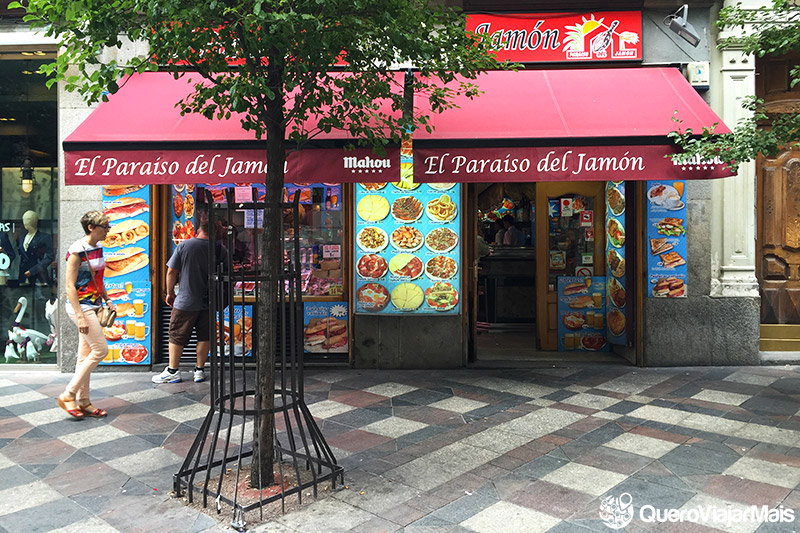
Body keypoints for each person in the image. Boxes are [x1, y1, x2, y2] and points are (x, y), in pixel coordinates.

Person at [57, 211, 114, 418]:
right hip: (80, 307)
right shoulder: (76, 252)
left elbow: (97, 278)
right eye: (104, 227)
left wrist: (107, 299)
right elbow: (69, 287)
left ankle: (83, 401)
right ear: (91, 227)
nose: (108, 230)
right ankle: (68, 394)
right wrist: (80, 315)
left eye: (108, 226)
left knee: (84, 357)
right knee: (100, 350)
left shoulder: (98, 248)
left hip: (95, 304)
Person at [152, 222, 213, 384]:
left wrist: (170, 292)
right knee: (204, 337)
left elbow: (172, 271)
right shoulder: (220, 248)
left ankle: (173, 370)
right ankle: (199, 370)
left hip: (186, 301)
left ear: (198, 230)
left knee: (177, 335)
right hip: (209, 301)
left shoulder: (185, 245)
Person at [17, 210, 53, 286]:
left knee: (39, 295)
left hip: (38, 274)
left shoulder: (44, 237)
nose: (25, 222)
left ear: (34, 221)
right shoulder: (21, 237)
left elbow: (49, 257)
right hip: (23, 274)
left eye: (28, 219)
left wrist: (33, 271)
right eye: (24, 219)